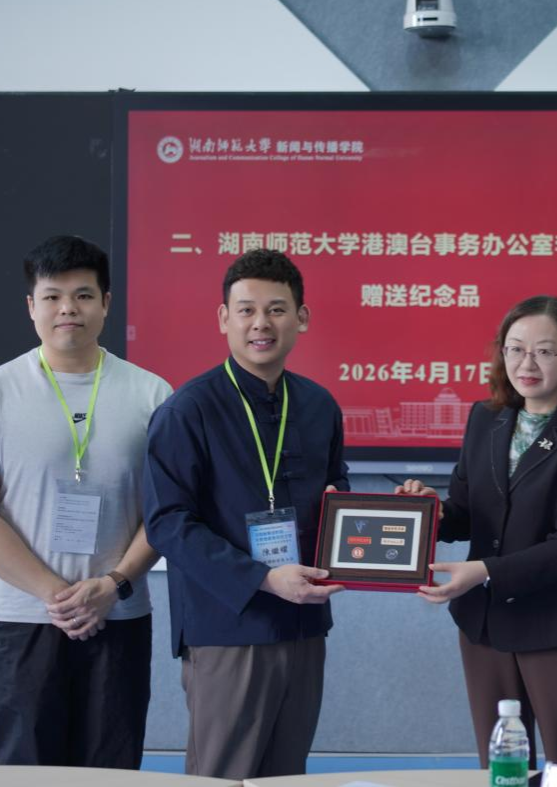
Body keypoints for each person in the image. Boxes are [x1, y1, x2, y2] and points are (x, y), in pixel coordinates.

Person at [0, 235, 171, 767]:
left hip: (117, 618)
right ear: (31, 306)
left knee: (110, 772)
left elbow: (167, 512)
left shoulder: (152, 395)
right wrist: (58, 596)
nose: (68, 308)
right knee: (22, 771)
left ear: (106, 303)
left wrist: (113, 586)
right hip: (15, 623)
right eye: (52, 296)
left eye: (83, 295)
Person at [142, 248, 348, 780]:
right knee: (224, 775)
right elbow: (167, 522)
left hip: (303, 623)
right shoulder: (188, 410)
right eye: (247, 310)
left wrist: (368, 524)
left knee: (287, 774)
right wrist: (262, 577)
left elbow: (337, 489)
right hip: (228, 626)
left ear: (301, 317)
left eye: (277, 309)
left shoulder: (319, 405)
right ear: (223, 319)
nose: (262, 323)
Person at [397, 295, 557, 771]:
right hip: (484, 627)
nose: (527, 364)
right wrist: (428, 510)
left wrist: (483, 572)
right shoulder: (485, 418)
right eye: (516, 349)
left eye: (545, 351)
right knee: (502, 769)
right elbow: (465, 513)